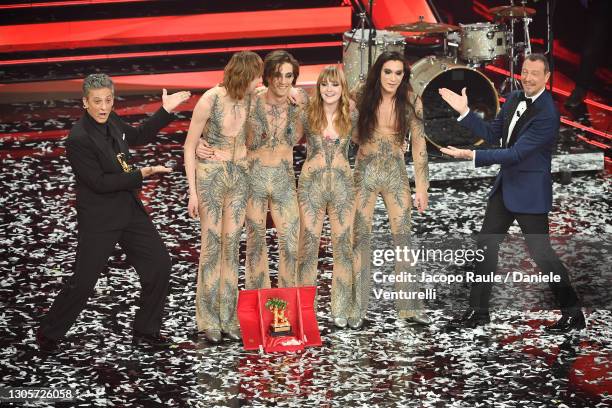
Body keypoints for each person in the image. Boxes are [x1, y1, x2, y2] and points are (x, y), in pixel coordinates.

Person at [36, 73, 191, 353]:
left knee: (159, 265)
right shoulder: (78, 139)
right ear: (85, 102)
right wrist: (140, 174)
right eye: (97, 101)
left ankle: (146, 330)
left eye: (108, 100)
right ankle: (49, 333)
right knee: (83, 282)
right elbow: (98, 182)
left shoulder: (112, 119)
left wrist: (165, 110)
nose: (104, 106)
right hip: (100, 217)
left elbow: (139, 135)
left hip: (129, 211)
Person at [439, 53, 585, 332]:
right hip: (506, 188)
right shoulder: (515, 98)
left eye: (534, 73)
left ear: (547, 78)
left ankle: (573, 313)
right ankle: (478, 312)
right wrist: (465, 113)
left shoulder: (547, 114)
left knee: (542, 254)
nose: (527, 77)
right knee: (485, 247)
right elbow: (493, 134)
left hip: (529, 193)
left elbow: (515, 153)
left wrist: (471, 156)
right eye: (524, 71)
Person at [198, 50, 308, 290]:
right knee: (255, 243)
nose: (283, 81)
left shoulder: (299, 101)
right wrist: (198, 142)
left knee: (290, 241)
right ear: (266, 77)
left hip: (284, 178)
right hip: (253, 178)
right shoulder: (252, 98)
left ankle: (288, 304)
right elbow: (218, 117)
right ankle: (259, 303)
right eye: (277, 75)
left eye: (289, 76)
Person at [184, 51, 263, 344]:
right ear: (243, 76)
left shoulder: (253, 98)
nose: (260, 82)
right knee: (212, 246)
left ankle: (228, 317)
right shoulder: (210, 100)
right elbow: (189, 146)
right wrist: (192, 192)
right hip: (211, 178)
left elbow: (283, 93)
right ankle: (207, 320)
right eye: (256, 76)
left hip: (240, 177)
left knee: (231, 247)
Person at [351, 51, 431, 329]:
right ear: (379, 73)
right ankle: (357, 308)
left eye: (398, 73)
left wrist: (422, 187)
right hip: (365, 172)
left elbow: (420, 146)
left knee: (404, 241)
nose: (393, 78)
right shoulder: (361, 95)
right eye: (388, 72)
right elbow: (336, 116)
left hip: (396, 175)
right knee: (361, 238)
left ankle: (408, 309)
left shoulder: (411, 101)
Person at [296, 65, 359, 328]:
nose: (329, 89)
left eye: (335, 84)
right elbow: (285, 140)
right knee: (308, 246)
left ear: (342, 88)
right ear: (318, 87)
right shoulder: (306, 113)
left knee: (344, 246)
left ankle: (343, 308)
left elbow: (367, 139)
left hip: (344, 185)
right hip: (311, 185)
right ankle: (302, 308)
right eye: (325, 84)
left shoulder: (351, 113)